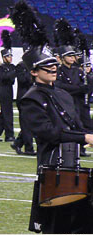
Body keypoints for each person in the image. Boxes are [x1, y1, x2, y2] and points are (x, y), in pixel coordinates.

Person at [10, 0, 93, 234]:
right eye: (48, 68)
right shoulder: (30, 98)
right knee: (54, 230)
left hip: (74, 166)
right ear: (34, 72)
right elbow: (49, 132)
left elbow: (77, 123)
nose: (54, 70)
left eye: (54, 66)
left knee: (81, 229)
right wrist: (84, 137)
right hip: (51, 170)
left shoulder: (63, 94)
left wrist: (88, 132)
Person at [54, 18, 92, 157]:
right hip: (66, 102)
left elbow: (86, 85)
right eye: (68, 55)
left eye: (73, 55)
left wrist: (87, 85)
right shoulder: (58, 70)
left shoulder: (78, 71)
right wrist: (79, 89)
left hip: (79, 102)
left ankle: (82, 148)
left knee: (82, 124)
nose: (72, 58)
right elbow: (59, 86)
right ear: (62, 58)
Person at [10, 59, 36, 155]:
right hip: (24, 98)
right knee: (26, 124)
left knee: (32, 123)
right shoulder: (21, 65)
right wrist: (32, 73)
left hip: (33, 97)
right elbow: (22, 80)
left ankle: (18, 142)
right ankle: (28, 148)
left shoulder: (36, 65)